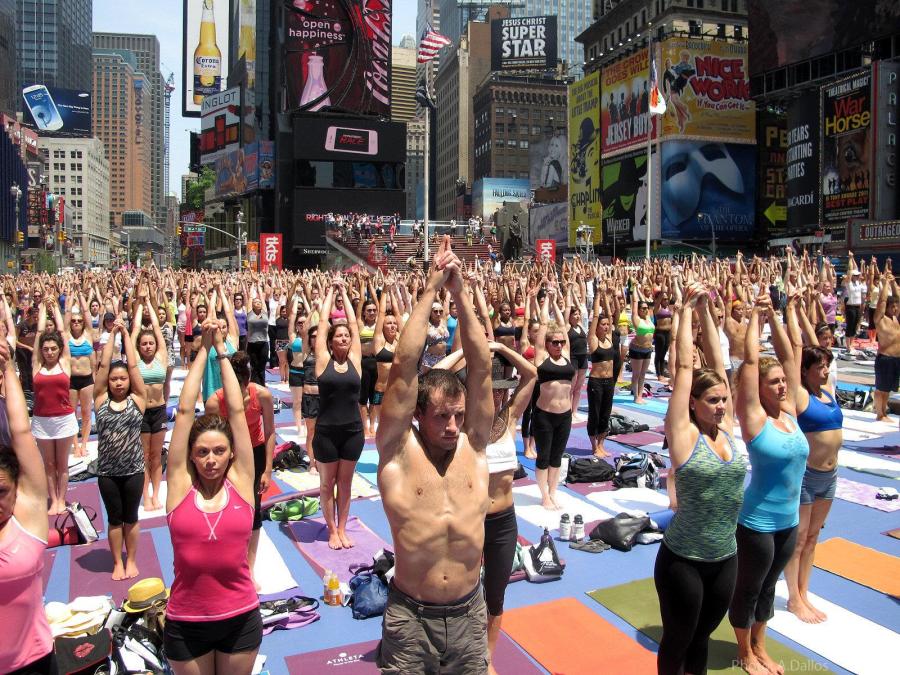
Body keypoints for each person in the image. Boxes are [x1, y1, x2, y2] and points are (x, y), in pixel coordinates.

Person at [375, 237, 493, 673]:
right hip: (411, 617)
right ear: (418, 416)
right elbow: (404, 368)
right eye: (441, 417)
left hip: (468, 613)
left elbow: (481, 369)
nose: (451, 427)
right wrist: (430, 290)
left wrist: (460, 290)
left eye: (458, 416)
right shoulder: (397, 452)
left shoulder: (475, 445)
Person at [654, 284, 746, 675]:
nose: (722, 405)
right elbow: (686, 369)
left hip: (725, 556)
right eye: (713, 400)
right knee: (679, 638)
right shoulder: (685, 435)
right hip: (683, 562)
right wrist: (686, 310)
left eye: (724, 399)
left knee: (702, 639)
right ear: (693, 402)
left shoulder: (726, 430)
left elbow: (719, 359)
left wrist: (709, 309)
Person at [164, 319, 261, 675]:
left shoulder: (241, 481)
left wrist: (222, 349)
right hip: (186, 623)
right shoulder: (179, 487)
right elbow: (185, 412)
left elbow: (237, 412)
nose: (210, 460)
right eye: (202, 452)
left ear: (232, 454)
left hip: (240, 618)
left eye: (219, 451)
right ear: (190, 455)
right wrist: (201, 349)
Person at [729, 294, 809, 675]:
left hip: (789, 521)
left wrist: (776, 314)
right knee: (748, 589)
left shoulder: (790, 412)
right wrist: (756, 319)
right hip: (758, 522)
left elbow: (791, 354)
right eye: (773, 382)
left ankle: (760, 644)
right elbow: (748, 362)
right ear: (758, 388)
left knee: (769, 589)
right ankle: (744, 652)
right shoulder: (754, 420)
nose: (781, 386)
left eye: (782, 381)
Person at [0, 340, 56, 675]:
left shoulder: (27, 517)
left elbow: (21, 431)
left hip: (32, 661)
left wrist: (7, 366)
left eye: (2, 491)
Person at [205, 351, 275, 590]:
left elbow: (270, 432)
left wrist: (267, 470)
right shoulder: (215, 402)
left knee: (252, 510)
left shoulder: (262, 395)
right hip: (227, 456)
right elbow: (208, 439)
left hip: (254, 453)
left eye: (243, 387)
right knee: (224, 507)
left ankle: (249, 568)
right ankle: (225, 563)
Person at [94, 318, 147, 580]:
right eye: (114, 379)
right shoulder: (100, 401)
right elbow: (104, 366)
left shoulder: (138, 400)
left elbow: (134, 366)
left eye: (122, 379)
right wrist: (112, 334)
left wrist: (126, 334)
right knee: (115, 519)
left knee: (132, 517)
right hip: (107, 472)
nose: (117, 383)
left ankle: (132, 560)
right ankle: (117, 561)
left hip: (134, 470)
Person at [314, 280, 364, 549]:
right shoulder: (324, 361)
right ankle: (331, 530)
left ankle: (343, 528)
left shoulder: (355, 359)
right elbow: (322, 325)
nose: (344, 338)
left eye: (346, 336)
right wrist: (330, 294)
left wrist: (345, 294)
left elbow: (355, 327)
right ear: (331, 343)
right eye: (339, 336)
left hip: (352, 432)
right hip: (327, 434)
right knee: (326, 484)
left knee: (345, 484)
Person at [32, 296, 77, 515]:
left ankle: (62, 498)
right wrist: (42, 309)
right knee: (48, 464)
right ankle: (53, 499)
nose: (49, 352)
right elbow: (40, 335)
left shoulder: (64, 363)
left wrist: (56, 310)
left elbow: (62, 332)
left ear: (59, 350)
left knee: (62, 463)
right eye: (46, 349)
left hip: (64, 419)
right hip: (42, 420)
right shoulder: (37, 365)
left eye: (53, 349)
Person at [531, 289, 575, 510]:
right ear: (547, 344)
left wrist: (557, 298)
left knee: (557, 458)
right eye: (554, 342)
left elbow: (562, 324)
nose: (558, 345)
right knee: (543, 457)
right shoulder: (541, 356)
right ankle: (544, 495)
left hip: (564, 416)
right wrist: (546, 300)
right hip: (544, 416)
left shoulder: (566, 355)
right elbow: (545, 326)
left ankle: (553, 492)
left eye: (560, 342)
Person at [131, 299, 169, 513]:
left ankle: (156, 494)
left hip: (160, 411)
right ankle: (145, 495)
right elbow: (136, 329)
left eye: (151, 343)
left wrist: (151, 308)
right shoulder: (136, 359)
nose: (147, 346)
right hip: (141, 412)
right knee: (143, 456)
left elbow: (156, 328)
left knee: (156, 456)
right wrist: (140, 306)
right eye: (144, 344)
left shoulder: (161, 357)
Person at [587, 286, 618, 458]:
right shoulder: (593, 340)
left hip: (609, 382)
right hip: (596, 382)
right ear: (597, 327)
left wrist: (607, 297)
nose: (606, 327)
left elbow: (610, 316)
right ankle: (593, 446)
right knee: (595, 414)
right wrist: (598, 296)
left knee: (606, 414)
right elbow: (597, 316)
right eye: (603, 325)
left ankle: (601, 444)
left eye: (607, 325)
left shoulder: (609, 339)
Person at [66, 290, 96, 458]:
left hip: (86, 379)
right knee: (71, 414)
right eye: (74, 321)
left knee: (86, 413)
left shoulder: (88, 335)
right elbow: (68, 313)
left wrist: (80, 294)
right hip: (70, 380)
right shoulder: (66, 336)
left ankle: (84, 444)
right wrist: (71, 295)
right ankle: (75, 445)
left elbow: (86, 312)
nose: (76, 323)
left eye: (79, 321)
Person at [872, 272, 899, 421]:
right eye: (892, 306)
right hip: (885, 358)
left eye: (896, 307)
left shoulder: (896, 319)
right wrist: (886, 284)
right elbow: (882, 301)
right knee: (881, 388)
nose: (895, 309)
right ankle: (879, 414)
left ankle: (884, 412)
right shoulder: (880, 319)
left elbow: (898, 298)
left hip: (896, 359)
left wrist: (893, 282)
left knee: (888, 389)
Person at [630, 286, 655, 403]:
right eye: (643, 308)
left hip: (647, 349)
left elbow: (644, 300)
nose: (646, 310)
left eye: (646, 308)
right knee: (636, 374)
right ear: (639, 310)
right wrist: (634, 288)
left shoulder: (649, 319)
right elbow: (635, 302)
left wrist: (640, 290)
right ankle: (636, 396)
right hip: (637, 349)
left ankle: (640, 395)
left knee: (643, 374)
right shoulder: (636, 319)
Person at [246, 297, 269, 386]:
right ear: (252, 304)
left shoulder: (265, 313)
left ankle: (262, 384)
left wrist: (259, 287)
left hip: (263, 343)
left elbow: (263, 301)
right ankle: (253, 385)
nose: (258, 303)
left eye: (259, 302)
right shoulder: (249, 313)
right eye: (256, 302)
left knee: (262, 366)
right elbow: (249, 296)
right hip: (252, 344)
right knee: (253, 367)